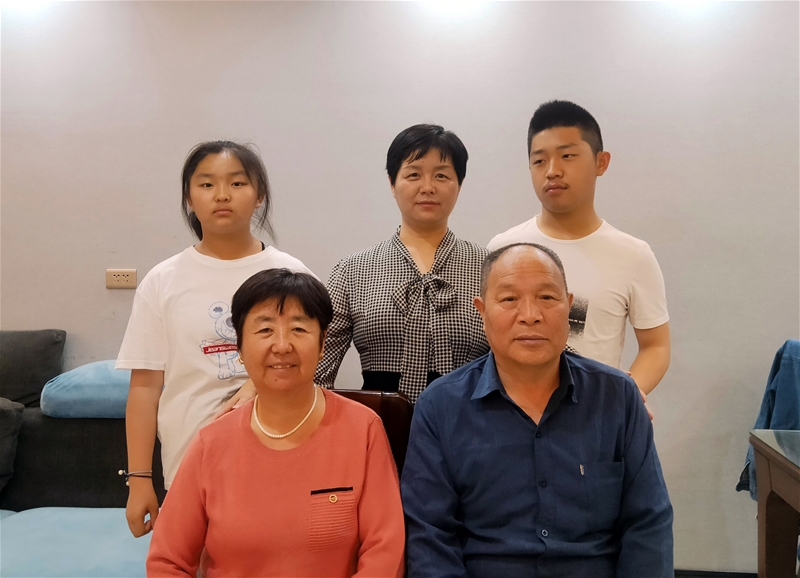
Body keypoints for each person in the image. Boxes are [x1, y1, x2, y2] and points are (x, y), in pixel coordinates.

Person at [401, 243, 674, 578]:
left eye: (546, 297)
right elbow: (431, 536)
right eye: (509, 299)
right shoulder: (440, 405)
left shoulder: (618, 397)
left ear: (569, 307)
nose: (530, 314)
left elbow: (648, 523)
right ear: (482, 311)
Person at [146, 269, 405, 577]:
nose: (282, 345)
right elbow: (167, 562)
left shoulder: (362, 429)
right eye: (265, 329)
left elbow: (385, 551)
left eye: (298, 329)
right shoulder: (211, 443)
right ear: (240, 348)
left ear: (323, 343)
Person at [116, 141, 312, 538]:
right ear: (189, 198)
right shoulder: (162, 281)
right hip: (189, 460)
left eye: (237, 183)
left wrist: (254, 385)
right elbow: (145, 387)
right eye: (206, 184)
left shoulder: (291, 274)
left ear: (259, 195)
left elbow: (313, 362)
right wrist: (139, 480)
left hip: (280, 454)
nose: (222, 195)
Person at [487, 101, 670, 395]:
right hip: (511, 410)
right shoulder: (503, 249)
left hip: (594, 413)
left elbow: (656, 346)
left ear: (601, 162)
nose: (552, 171)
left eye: (567, 156)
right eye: (539, 161)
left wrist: (625, 398)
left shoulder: (632, 255)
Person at [315, 124, 489, 402]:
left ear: (459, 184)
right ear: (392, 183)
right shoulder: (352, 270)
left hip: (471, 421)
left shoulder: (489, 267)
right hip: (378, 421)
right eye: (413, 174)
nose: (428, 187)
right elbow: (317, 368)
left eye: (442, 175)